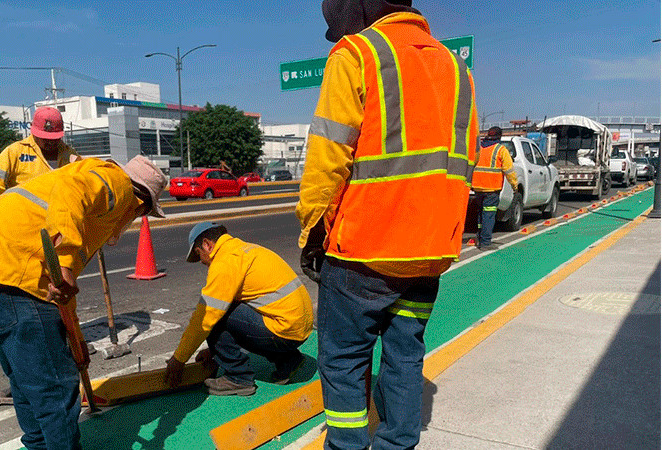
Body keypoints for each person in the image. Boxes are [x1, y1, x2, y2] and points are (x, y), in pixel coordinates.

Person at [296, 1, 479, 448]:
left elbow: (327, 162)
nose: (337, 35)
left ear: (359, 8)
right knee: (404, 356)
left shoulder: (356, 55)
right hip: (429, 254)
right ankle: (398, 443)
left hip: (363, 251)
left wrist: (311, 232)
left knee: (343, 361)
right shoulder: (457, 71)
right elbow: (465, 161)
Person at [0, 155, 167, 450]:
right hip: (15, 273)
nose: (136, 219)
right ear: (140, 201)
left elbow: (63, 293)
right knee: (55, 386)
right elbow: (71, 190)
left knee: (26, 378)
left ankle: (39, 446)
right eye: (143, 213)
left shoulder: (90, 214)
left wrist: (75, 338)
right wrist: (64, 260)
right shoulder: (117, 184)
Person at [163, 222, 313, 396]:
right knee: (228, 307)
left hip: (285, 331)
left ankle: (238, 378)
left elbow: (205, 318)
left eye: (199, 254)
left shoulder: (225, 261)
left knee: (214, 314)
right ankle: (288, 360)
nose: (203, 263)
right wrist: (214, 350)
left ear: (207, 245)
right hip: (298, 328)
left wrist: (179, 359)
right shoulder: (244, 249)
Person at [0, 106, 79, 205]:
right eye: (46, 139)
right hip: (24, 218)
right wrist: (0, 213)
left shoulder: (70, 154)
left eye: (55, 138)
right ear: (35, 133)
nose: (51, 142)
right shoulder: (15, 152)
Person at [471, 126, 519, 250]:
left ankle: (480, 237)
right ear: (499, 136)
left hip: (477, 186)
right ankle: (486, 242)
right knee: (489, 214)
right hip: (491, 188)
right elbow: (509, 170)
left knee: (481, 213)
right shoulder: (500, 149)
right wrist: (514, 185)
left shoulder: (479, 148)